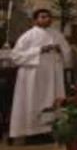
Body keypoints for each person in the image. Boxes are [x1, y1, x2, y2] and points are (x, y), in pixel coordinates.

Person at [10, 9, 72, 143]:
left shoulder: (57, 34)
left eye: (48, 17)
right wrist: (39, 50)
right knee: (33, 101)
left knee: (51, 101)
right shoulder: (28, 36)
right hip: (33, 76)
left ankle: (49, 131)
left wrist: (60, 50)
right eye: (43, 17)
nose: (46, 19)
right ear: (35, 20)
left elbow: (67, 53)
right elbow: (15, 56)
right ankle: (31, 132)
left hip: (52, 75)